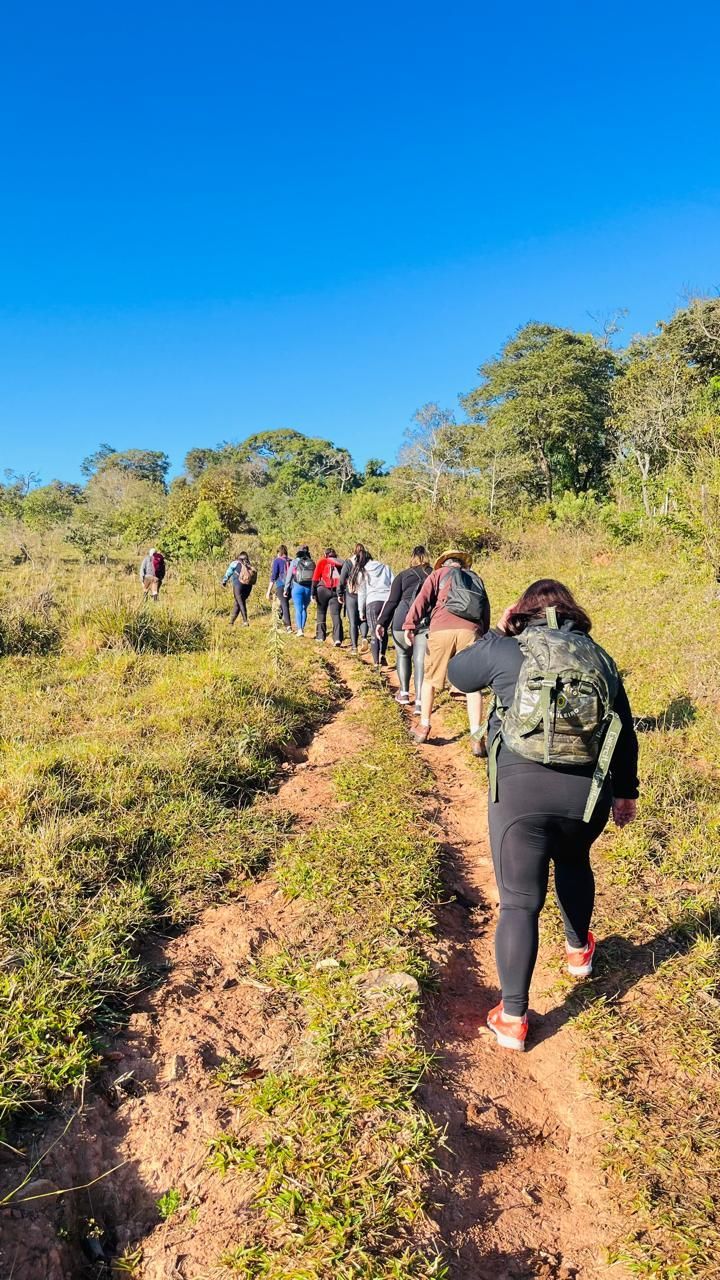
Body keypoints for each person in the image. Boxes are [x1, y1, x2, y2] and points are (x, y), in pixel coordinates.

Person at [448, 578, 639, 1052]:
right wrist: (625, 793)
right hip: (587, 794)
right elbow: (625, 731)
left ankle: (513, 1017)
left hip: (519, 795)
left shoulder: (507, 649)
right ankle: (578, 953)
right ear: (573, 613)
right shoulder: (599, 657)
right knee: (575, 862)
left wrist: (497, 632)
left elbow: (457, 675)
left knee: (519, 903)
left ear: (524, 612)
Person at [404, 550, 489, 752]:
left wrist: (410, 625)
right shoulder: (476, 578)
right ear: (463, 564)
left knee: (430, 680)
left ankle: (424, 726)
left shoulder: (438, 575)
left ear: (444, 562)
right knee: (473, 685)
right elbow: (485, 609)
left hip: (441, 629)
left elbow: (422, 600)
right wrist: (482, 634)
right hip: (470, 631)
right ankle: (477, 737)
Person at [375, 546, 431, 708]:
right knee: (420, 660)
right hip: (424, 621)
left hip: (401, 619)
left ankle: (405, 693)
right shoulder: (435, 574)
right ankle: (420, 701)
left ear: (412, 558)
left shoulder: (403, 575)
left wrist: (381, 623)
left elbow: (392, 601)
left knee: (403, 655)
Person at [357, 554, 394, 666]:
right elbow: (394, 583)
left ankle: (376, 662)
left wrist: (361, 610)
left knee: (374, 630)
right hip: (387, 601)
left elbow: (362, 592)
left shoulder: (363, 571)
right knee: (384, 628)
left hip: (372, 601)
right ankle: (382, 654)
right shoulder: (386, 567)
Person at [339, 544, 370, 654]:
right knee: (363, 618)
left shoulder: (349, 562)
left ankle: (354, 647)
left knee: (353, 621)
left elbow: (342, 579)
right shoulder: (368, 562)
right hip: (366, 594)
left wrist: (340, 593)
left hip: (351, 595)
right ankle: (364, 637)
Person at [311, 547, 345, 646]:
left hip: (322, 590)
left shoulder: (322, 561)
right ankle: (337, 638)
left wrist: (313, 593)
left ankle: (320, 637)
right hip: (336, 591)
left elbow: (315, 578)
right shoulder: (341, 563)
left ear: (326, 554)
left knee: (321, 612)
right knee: (335, 615)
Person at [283, 545, 315, 636]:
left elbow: (289, 575)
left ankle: (299, 630)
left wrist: (286, 588)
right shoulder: (311, 562)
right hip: (308, 588)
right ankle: (302, 628)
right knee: (304, 608)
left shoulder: (295, 561)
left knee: (298, 609)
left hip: (297, 587)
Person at [222, 551, 257, 626]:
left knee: (240, 602)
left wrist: (224, 581)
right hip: (248, 586)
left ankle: (245, 621)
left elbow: (228, 572)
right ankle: (231, 622)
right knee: (238, 602)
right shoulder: (249, 565)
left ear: (239, 557)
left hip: (238, 585)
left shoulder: (235, 563)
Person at [267, 544, 292, 632]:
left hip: (281, 585)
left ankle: (288, 626)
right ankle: (278, 622)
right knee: (282, 604)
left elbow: (273, 576)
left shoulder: (277, 561)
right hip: (292, 586)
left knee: (284, 604)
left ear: (279, 552)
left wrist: (268, 591)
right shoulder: (291, 560)